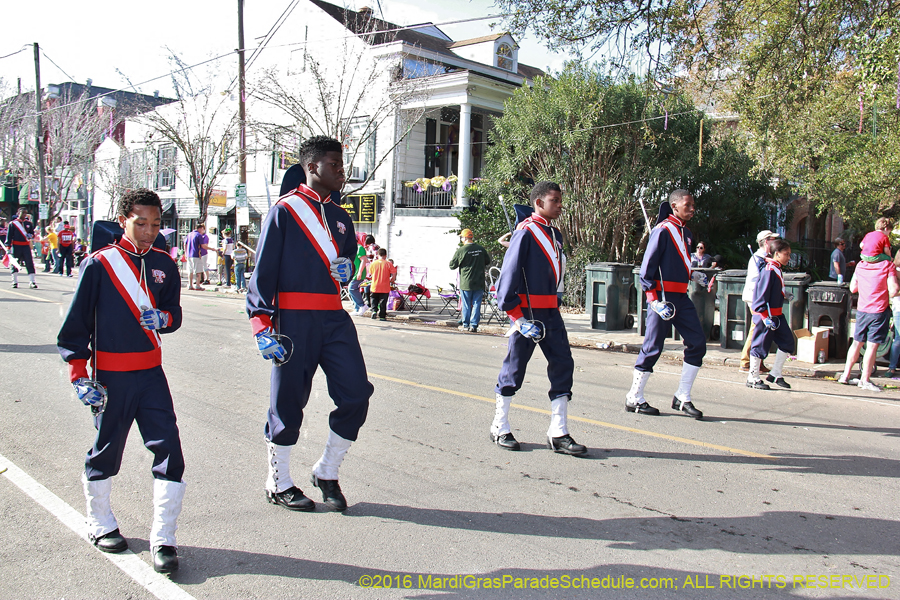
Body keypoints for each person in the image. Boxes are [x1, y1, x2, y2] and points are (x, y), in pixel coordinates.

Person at [57, 189, 186, 574]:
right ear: (123, 221)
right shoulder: (99, 264)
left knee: (170, 451)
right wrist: (79, 375)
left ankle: (164, 538)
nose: (149, 231)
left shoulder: (166, 263)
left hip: (151, 374)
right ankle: (100, 522)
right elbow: (75, 328)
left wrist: (164, 320)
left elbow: (174, 313)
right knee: (107, 450)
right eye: (140, 223)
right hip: (110, 375)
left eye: (156, 224)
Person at [247, 135, 373, 512]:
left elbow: (347, 262)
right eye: (335, 164)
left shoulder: (341, 216)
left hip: (333, 316)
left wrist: (348, 268)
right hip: (292, 318)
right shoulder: (284, 211)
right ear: (313, 166)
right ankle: (279, 481)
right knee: (287, 403)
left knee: (356, 395)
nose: (342, 171)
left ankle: (327, 470)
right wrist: (261, 325)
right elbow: (263, 271)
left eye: (342, 164)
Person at [491, 181, 587, 456]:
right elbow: (507, 278)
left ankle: (558, 432)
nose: (559, 205)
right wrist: (517, 318)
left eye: (560, 200)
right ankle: (500, 426)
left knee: (563, 365)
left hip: (551, 313)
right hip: (527, 314)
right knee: (514, 369)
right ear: (538, 202)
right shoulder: (525, 232)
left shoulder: (554, 234)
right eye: (554, 200)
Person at [625, 190, 707, 419]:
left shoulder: (686, 233)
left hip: (681, 297)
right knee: (653, 347)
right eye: (687, 205)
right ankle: (634, 397)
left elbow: (677, 262)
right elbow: (647, 270)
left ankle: (682, 397)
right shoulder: (662, 230)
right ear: (674, 206)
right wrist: (653, 301)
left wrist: (693, 275)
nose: (692, 209)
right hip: (662, 297)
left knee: (698, 342)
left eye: (693, 205)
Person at [837, 252, 899, 391]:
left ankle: (845, 375)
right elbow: (894, 290)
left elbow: (853, 288)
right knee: (871, 347)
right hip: (878, 310)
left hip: (862, 309)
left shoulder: (861, 265)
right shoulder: (887, 266)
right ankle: (864, 379)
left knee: (856, 343)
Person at [746, 239, 796, 390]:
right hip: (766, 316)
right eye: (786, 254)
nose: (788, 257)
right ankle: (752, 377)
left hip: (777, 315)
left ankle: (775, 374)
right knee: (760, 345)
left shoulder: (776, 268)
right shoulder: (769, 270)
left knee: (788, 342)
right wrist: (764, 317)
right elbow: (760, 297)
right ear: (776, 254)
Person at [740, 230, 780, 372]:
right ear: (766, 241)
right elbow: (759, 280)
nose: (776, 242)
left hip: (761, 298)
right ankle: (746, 361)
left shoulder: (765, 257)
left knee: (760, 329)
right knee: (757, 329)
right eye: (773, 239)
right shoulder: (758, 258)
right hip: (756, 298)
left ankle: (755, 361)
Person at [450, 229, 492, 333]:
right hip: (479, 281)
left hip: (466, 282)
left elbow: (452, 265)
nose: (461, 239)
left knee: (466, 304)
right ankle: (474, 325)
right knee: (477, 303)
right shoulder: (480, 249)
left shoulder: (461, 250)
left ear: (465, 238)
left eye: (461, 237)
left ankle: (466, 324)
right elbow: (487, 261)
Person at [5, 208, 38, 289]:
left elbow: (32, 233)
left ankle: (32, 281)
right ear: (18, 213)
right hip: (16, 246)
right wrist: (8, 247)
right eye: (23, 213)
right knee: (15, 263)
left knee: (29, 263)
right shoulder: (13, 224)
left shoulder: (29, 223)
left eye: (25, 213)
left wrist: (31, 235)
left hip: (26, 246)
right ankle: (14, 281)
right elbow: (9, 236)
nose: (24, 215)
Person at [367, 247, 396, 321]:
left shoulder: (373, 263)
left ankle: (374, 311)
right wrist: (392, 279)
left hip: (375, 285)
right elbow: (394, 272)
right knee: (383, 302)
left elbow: (370, 274)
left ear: (377, 254)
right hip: (385, 286)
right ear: (385, 255)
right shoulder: (388, 264)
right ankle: (382, 316)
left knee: (374, 299)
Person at [184, 223, 214, 291]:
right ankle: (197, 285)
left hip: (189, 254)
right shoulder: (199, 235)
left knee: (190, 270)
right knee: (198, 271)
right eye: (202, 229)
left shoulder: (189, 234)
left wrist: (186, 253)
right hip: (196, 254)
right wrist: (212, 249)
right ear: (200, 228)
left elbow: (185, 244)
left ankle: (190, 285)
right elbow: (203, 246)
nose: (203, 231)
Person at [349, 234, 374, 315]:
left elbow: (364, 260)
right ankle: (357, 309)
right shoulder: (353, 248)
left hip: (358, 272)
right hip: (353, 272)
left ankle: (362, 305)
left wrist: (359, 272)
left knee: (351, 289)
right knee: (354, 289)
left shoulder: (359, 248)